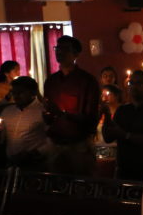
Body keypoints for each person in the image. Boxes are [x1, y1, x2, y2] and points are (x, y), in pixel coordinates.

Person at [42, 35, 100, 175]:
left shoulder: (87, 81)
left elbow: (91, 117)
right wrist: (48, 116)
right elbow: (49, 111)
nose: (59, 52)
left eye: (64, 49)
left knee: (81, 181)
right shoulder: (51, 81)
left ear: (76, 54)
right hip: (55, 142)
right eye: (57, 48)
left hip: (78, 144)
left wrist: (63, 114)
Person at [102, 71, 143, 181]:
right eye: (131, 83)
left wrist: (126, 135)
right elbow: (108, 138)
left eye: (139, 83)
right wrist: (106, 114)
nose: (134, 87)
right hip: (124, 170)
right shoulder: (122, 110)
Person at [0, 76, 51, 168]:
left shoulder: (43, 111)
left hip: (36, 164)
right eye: (14, 93)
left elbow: (53, 142)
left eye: (20, 93)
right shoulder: (7, 111)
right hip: (12, 164)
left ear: (33, 92)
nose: (16, 96)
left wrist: (34, 153)